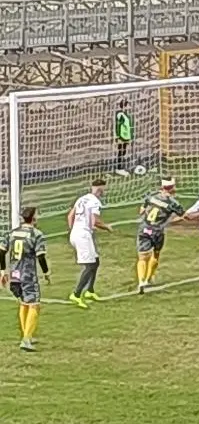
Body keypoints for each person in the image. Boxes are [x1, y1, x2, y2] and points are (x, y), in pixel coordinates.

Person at [0, 207, 50, 351]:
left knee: (23, 303)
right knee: (34, 304)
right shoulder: (36, 234)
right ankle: (26, 339)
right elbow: (41, 256)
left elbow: (2, 251)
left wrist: (3, 270)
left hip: (15, 272)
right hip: (28, 274)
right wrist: (46, 272)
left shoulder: (12, 232)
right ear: (33, 218)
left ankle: (27, 334)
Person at [136, 178, 188, 294]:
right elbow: (184, 216)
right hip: (157, 231)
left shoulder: (151, 195)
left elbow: (141, 211)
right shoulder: (173, 203)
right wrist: (171, 221)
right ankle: (148, 279)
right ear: (172, 187)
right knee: (156, 254)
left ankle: (141, 281)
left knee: (142, 257)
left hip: (144, 228)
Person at [67, 179, 112, 308]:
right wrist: (107, 227)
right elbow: (96, 222)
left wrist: (73, 230)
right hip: (82, 236)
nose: (104, 192)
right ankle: (76, 294)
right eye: (103, 189)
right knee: (90, 266)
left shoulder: (82, 199)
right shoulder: (95, 202)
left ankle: (90, 291)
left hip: (77, 233)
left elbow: (70, 216)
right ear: (100, 189)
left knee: (95, 261)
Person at [115, 99, 133, 176]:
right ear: (124, 106)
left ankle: (122, 167)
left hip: (126, 136)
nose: (129, 107)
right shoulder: (120, 115)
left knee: (124, 151)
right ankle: (119, 168)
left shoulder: (126, 115)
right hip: (121, 136)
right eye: (127, 105)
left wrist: (130, 136)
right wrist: (118, 136)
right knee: (121, 151)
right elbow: (118, 125)